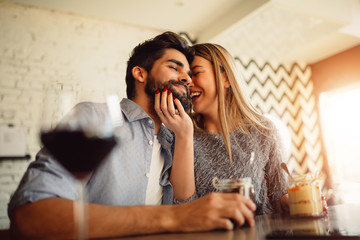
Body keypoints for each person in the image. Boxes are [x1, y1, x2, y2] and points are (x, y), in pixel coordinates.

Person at [8, 32, 256, 240]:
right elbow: (30, 216)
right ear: (140, 73)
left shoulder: (175, 138)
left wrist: (184, 135)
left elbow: (183, 208)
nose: (186, 78)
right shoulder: (95, 117)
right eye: (174, 67)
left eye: (190, 73)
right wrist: (171, 218)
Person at [188, 43, 289, 215]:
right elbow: (181, 206)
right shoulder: (183, 134)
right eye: (186, 77)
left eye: (196, 73)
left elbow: (280, 197)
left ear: (226, 79)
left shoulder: (264, 131)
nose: (188, 83)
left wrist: (293, 202)